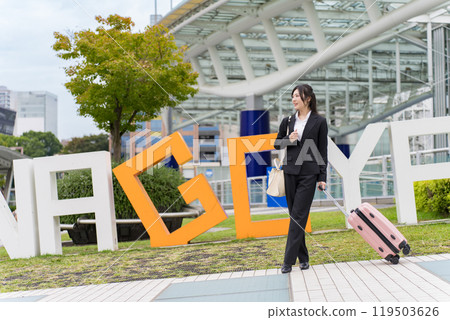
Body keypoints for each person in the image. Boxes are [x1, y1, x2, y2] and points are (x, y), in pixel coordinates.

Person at [274, 84, 328, 273]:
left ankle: (287, 262)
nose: (294, 99)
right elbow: (277, 143)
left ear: (308, 99)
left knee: (298, 216)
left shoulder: (319, 121)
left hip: (309, 174)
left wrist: (322, 176)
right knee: (296, 217)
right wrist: (289, 139)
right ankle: (303, 258)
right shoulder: (287, 120)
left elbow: (322, 150)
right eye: (293, 96)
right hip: (289, 173)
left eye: (297, 96)